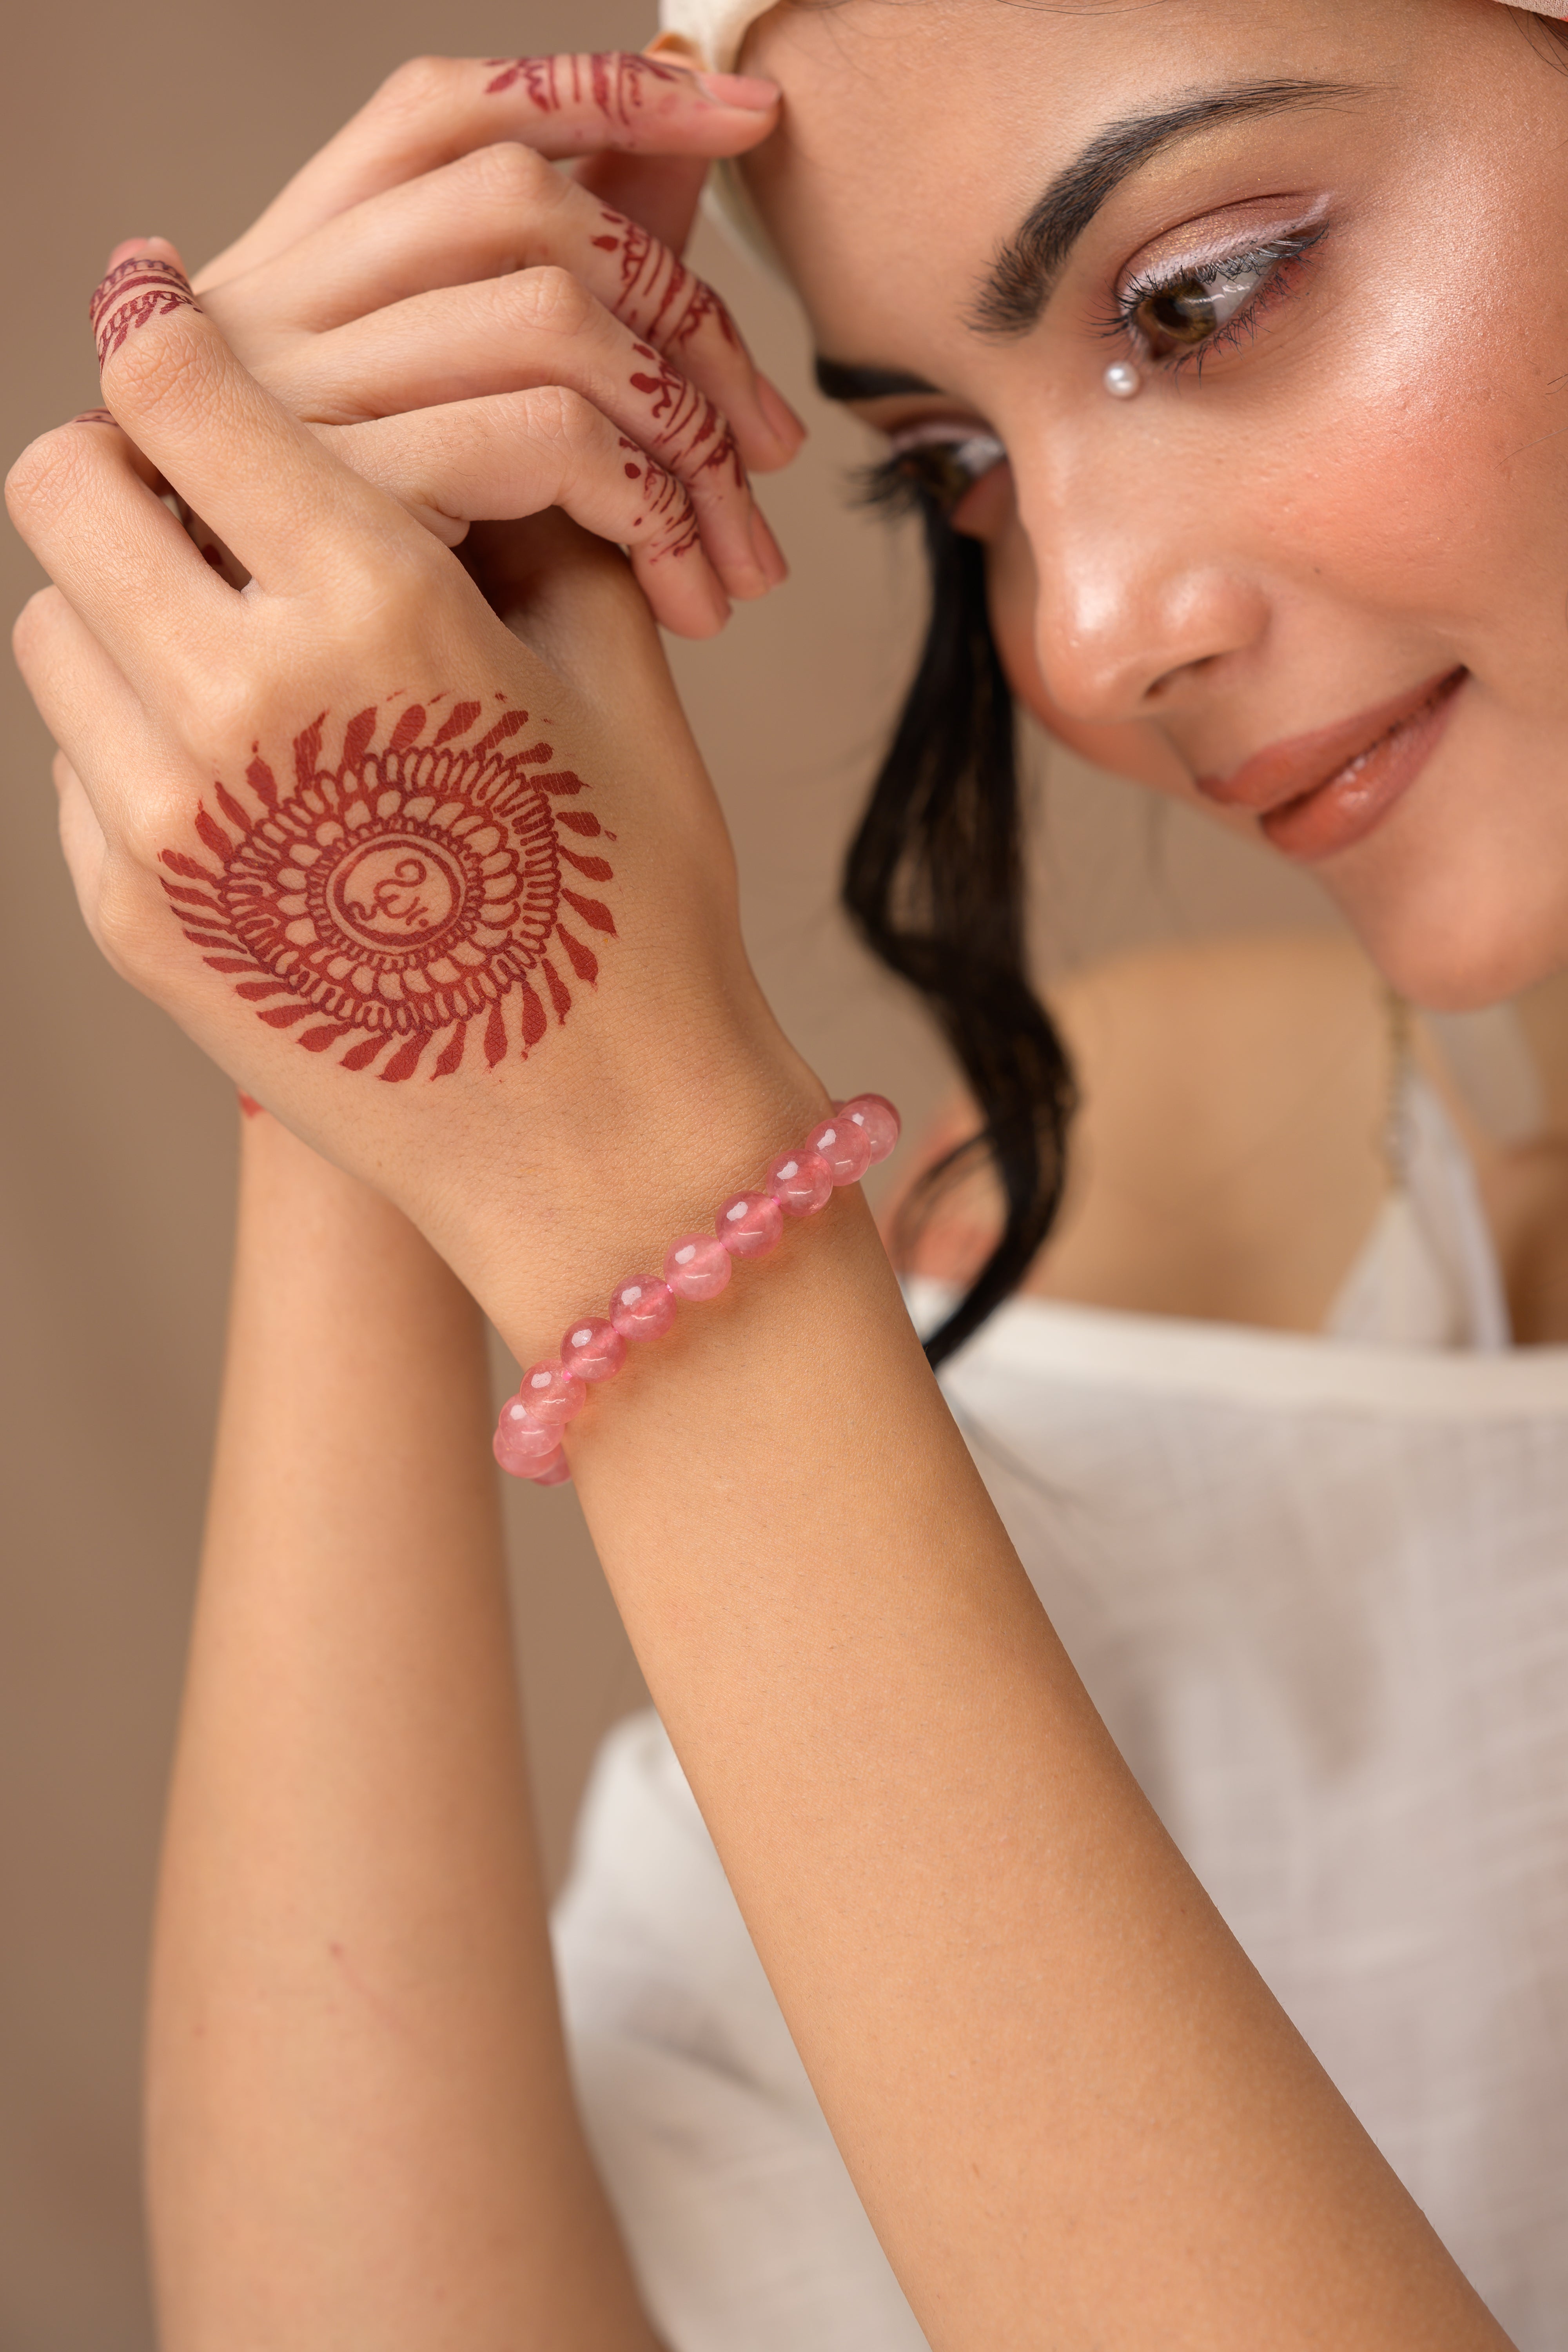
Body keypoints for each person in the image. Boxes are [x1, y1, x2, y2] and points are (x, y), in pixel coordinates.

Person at [9, 4, 1568, 2343]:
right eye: (953, 461)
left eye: (1200, 297)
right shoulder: (1200, 1225)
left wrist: (652, 1182)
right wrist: (367, 897)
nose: (1091, 628)